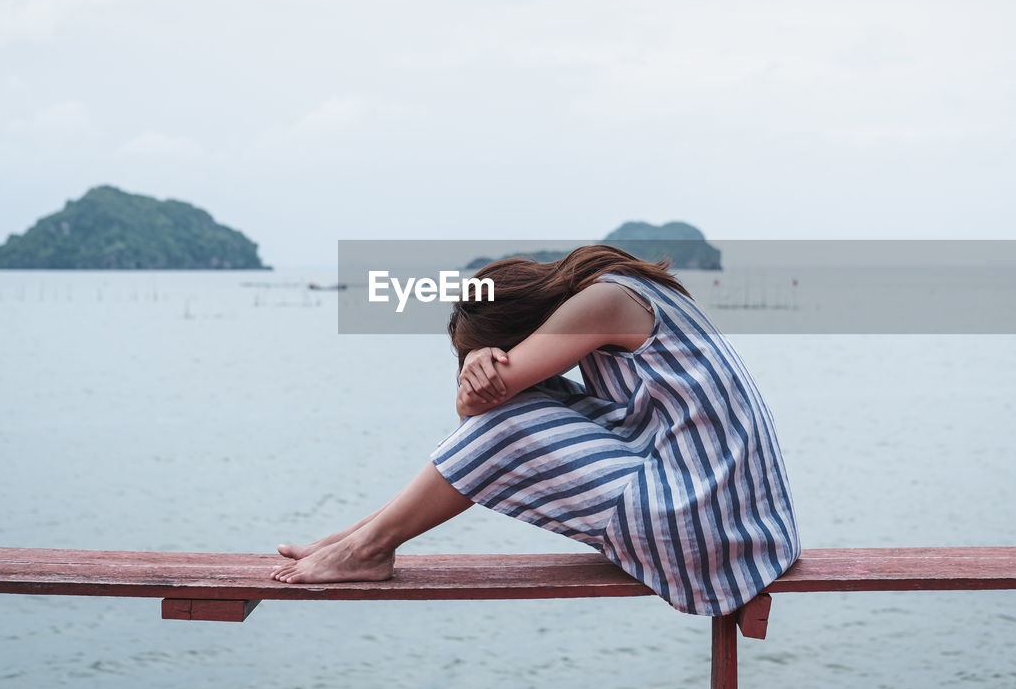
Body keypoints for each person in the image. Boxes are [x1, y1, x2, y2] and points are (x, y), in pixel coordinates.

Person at [271, 245, 800, 617]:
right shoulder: (623, 294)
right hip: (734, 522)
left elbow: (490, 410)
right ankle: (364, 536)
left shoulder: (605, 301)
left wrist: (478, 370)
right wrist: (482, 370)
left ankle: (368, 548)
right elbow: (489, 411)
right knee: (525, 406)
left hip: (709, 529)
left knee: (511, 418)